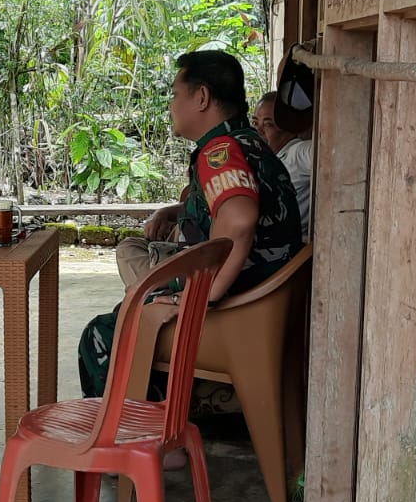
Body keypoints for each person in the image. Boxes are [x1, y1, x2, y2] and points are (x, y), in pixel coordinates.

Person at [83, 50, 303, 400]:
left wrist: (200, 296)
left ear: (201, 98)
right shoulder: (249, 143)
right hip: (266, 302)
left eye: (175, 94)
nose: (171, 104)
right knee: (137, 300)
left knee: (104, 332)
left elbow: (241, 219)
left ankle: (130, 441)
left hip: (239, 311)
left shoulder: (220, 152)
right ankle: (167, 415)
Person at [251, 91, 313, 238]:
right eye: (255, 123)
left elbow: (328, 153)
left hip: (280, 250)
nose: (258, 130)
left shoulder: (296, 153)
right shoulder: (265, 159)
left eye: (268, 124)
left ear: (289, 129)